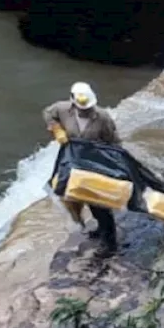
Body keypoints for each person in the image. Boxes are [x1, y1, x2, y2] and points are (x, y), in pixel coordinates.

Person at [44, 82, 121, 258]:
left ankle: (110, 243)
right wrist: (56, 129)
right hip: (74, 162)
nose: (85, 111)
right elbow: (48, 114)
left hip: (95, 164)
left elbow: (114, 142)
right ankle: (99, 229)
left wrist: (112, 165)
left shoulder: (102, 117)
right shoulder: (62, 109)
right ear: (73, 102)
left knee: (99, 204)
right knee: (80, 197)